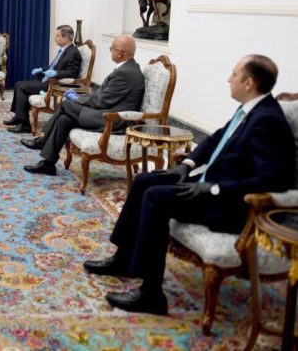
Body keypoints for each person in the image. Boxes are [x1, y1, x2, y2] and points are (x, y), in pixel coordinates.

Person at [83, 55, 295, 315]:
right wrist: (186, 165)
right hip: (211, 185)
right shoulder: (250, 109)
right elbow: (216, 139)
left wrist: (213, 189)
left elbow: (269, 180)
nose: (228, 79)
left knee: (156, 197)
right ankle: (123, 258)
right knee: (144, 180)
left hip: (233, 205)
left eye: (234, 75)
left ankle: (151, 295)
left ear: (249, 83)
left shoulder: (267, 120)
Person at [22, 35, 144, 176]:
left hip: (113, 120)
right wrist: (80, 97)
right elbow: (102, 94)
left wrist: (77, 98)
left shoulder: (125, 73)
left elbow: (101, 101)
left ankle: (42, 141)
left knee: (66, 104)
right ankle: (48, 164)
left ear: (120, 53)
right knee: (64, 120)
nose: (110, 51)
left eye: (111, 48)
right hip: (107, 112)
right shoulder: (128, 68)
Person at [3, 24, 82, 133]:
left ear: (66, 38)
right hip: (47, 81)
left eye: (57, 36)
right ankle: (18, 117)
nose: (55, 38)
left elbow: (72, 73)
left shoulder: (73, 52)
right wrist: (42, 69)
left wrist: (55, 73)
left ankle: (24, 124)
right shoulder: (63, 50)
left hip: (55, 85)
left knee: (21, 87)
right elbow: (53, 67)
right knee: (18, 84)